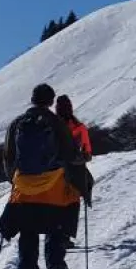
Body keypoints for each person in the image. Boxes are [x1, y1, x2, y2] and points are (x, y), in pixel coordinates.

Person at [0, 83, 82, 269]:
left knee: (28, 235)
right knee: (55, 230)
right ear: (51, 101)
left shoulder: (17, 124)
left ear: (32, 99)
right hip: (54, 189)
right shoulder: (56, 123)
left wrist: (16, 181)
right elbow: (70, 154)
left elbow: (8, 157)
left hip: (24, 191)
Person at [54, 94, 95, 248]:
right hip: (75, 171)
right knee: (72, 203)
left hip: (54, 171)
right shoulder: (79, 127)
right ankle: (65, 236)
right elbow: (87, 152)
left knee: (57, 203)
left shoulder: (50, 125)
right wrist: (82, 158)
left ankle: (56, 236)